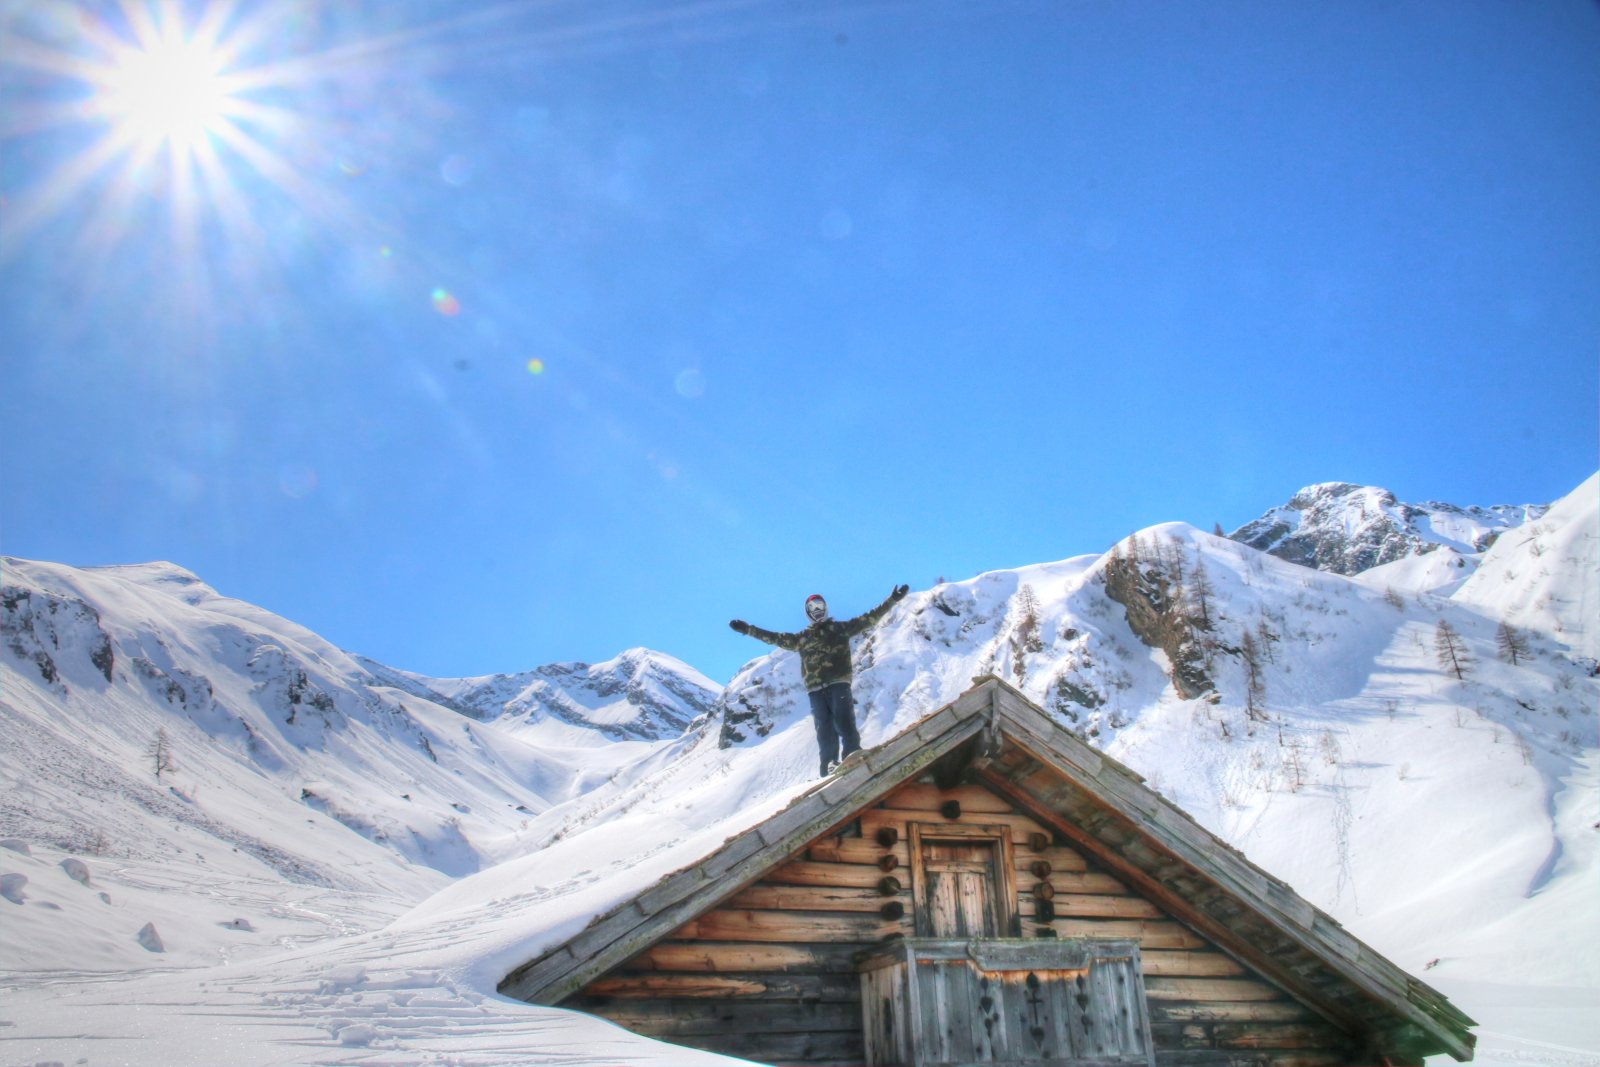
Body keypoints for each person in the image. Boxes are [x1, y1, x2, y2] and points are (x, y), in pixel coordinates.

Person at [730, 585, 909, 776]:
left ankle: (852, 753)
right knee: (824, 729)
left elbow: (870, 617)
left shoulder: (840, 629)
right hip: (815, 690)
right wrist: (748, 629)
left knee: (844, 720)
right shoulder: (802, 638)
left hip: (838, 683)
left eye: (820, 606)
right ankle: (828, 765)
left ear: (826, 608)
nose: (817, 610)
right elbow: (773, 638)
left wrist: (892, 600)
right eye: (813, 607)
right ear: (807, 612)